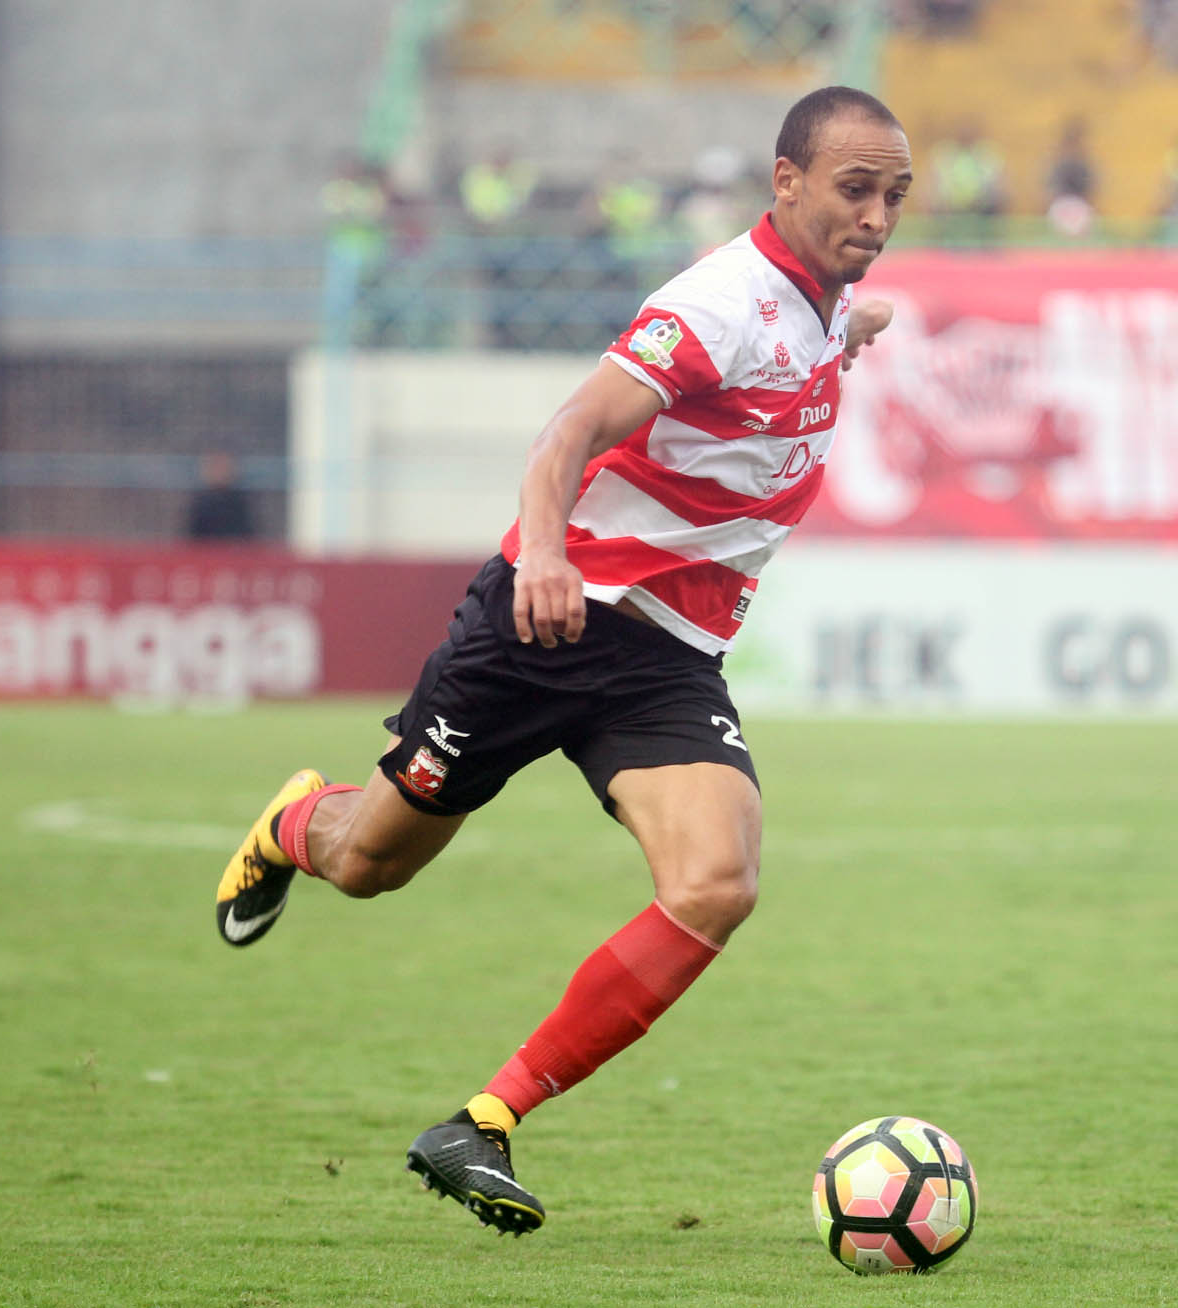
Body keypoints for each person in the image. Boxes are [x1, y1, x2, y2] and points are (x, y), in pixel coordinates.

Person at [212, 85, 909, 1237]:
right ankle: (298, 821)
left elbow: (824, 337)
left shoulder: (826, 300)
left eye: (893, 195)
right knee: (370, 865)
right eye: (854, 189)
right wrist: (542, 553)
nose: (878, 215)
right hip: (546, 627)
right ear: (785, 183)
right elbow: (568, 434)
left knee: (717, 883)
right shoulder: (719, 306)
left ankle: (482, 1121)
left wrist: (857, 330)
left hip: (664, 659)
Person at [184, 452, 255, 541]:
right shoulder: (200, 503)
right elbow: (194, 536)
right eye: (214, 468)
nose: (219, 472)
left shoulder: (240, 502)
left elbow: (248, 535)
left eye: (223, 468)